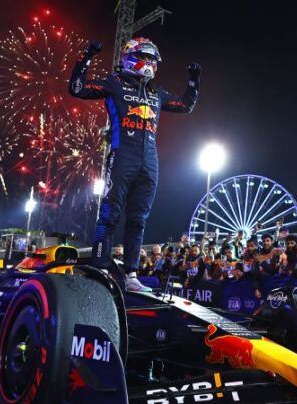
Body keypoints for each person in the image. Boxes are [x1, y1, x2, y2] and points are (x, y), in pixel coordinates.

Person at [69, 38, 201, 292]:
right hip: (122, 157)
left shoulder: (156, 92)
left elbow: (185, 105)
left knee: (138, 220)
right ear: (132, 56)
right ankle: (100, 268)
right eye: (147, 58)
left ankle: (131, 275)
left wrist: (194, 80)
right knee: (110, 215)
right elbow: (76, 89)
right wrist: (86, 57)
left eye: (154, 60)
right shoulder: (114, 83)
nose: (151, 64)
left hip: (150, 161)